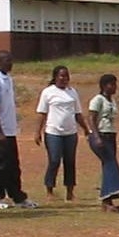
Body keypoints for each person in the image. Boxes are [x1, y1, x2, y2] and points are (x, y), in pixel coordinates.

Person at [0, 49, 34, 210]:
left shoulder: (8, 79)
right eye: (7, 61)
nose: (10, 63)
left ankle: (17, 196)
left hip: (10, 129)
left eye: (11, 60)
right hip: (0, 131)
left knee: (13, 165)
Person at [35, 65, 89, 200]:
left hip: (70, 133)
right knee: (54, 160)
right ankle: (49, 190)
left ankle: (70, 192)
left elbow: (78, 113)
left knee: (70, 162)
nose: (65, 79)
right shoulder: (48, 92)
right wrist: (37, 132)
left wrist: (86, 129)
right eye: (62, 76)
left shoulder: (72, 92)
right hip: (53, 132)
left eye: (67, 76)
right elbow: (42, 113)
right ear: (55, 77)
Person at [84, 73, 119, 212]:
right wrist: (96, 136)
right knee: (111, 163)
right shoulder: (97, 100)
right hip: (100, 136)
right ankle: (108, 195)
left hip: (110, 135)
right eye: (112, 84)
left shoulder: (111, 101)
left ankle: (107, 201)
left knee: (108, 165)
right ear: (104, 86)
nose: (115, 87)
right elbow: (91, 118)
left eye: (115, 84)